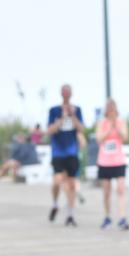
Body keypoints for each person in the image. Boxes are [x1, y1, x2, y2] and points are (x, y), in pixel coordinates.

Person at [47, 84, 84, 226]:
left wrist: (73, 115)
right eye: (65, 92)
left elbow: (81, 129)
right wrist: (62, 118)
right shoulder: (54, 110)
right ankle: (55, 203)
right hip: (58, 152)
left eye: (69, 92)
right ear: (61, 94)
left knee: (71, 184)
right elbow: (50, 130)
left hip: (72, 152)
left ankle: (70, 215)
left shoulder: (77, 110)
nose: (67, 95)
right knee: (57, 181)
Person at [96, 99, 129, 230]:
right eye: (109, 108)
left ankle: (122, 218)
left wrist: (117, 127)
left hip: (118, 161)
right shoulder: (101, 123)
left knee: (120, 189)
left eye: (113, 108)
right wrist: (109, 129)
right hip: (104, 162)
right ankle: (107, 217)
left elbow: (125, 137)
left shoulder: (121, 122)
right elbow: (99, 138)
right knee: (106, 192)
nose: (111, 111)